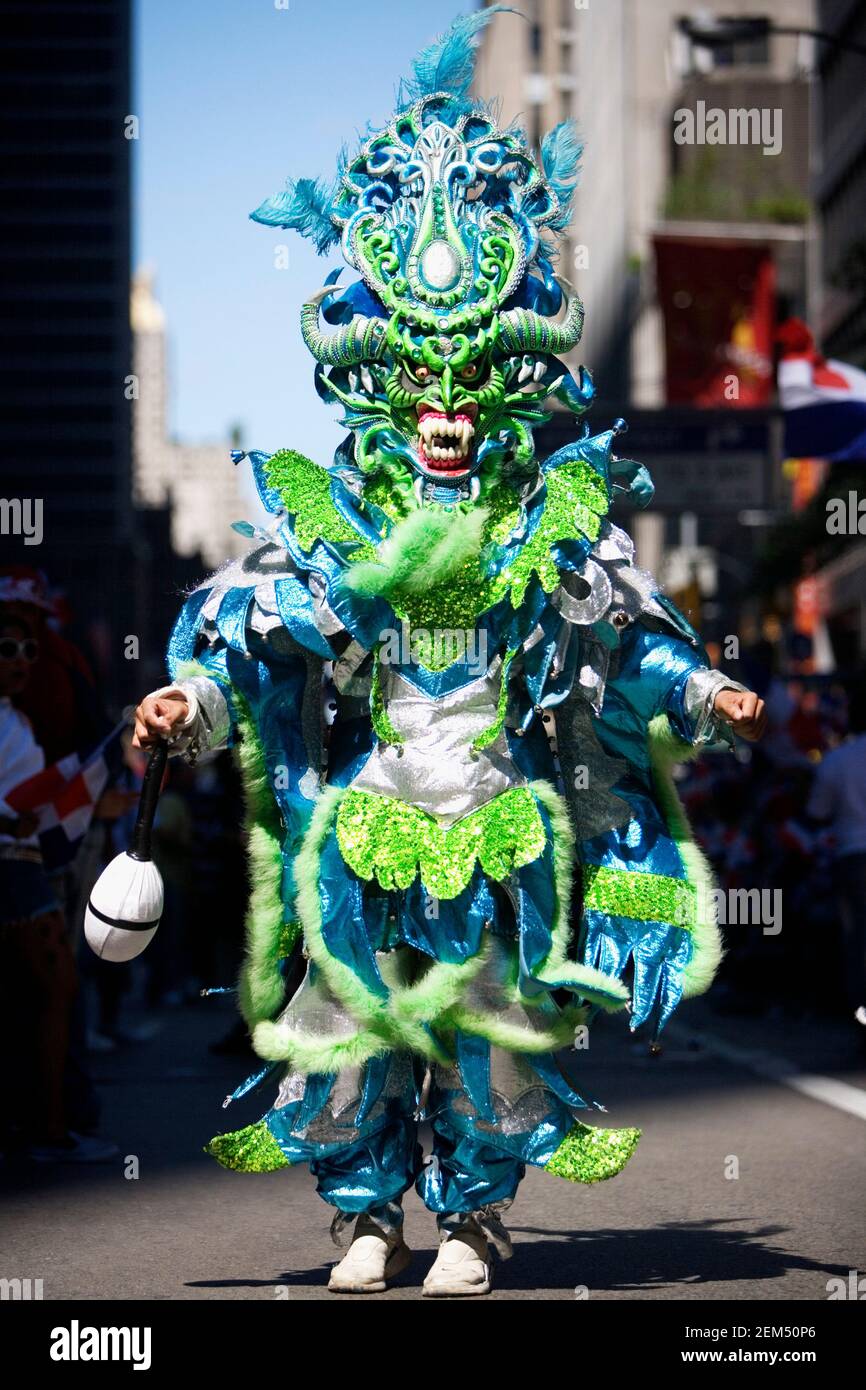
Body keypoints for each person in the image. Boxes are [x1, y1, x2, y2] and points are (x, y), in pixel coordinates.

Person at [131, 12, 765, 1295]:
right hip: (368, 817)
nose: (441, 414)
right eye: (416, 388)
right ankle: (366, 1215)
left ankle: (471, 1218)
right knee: (354, 1024)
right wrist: (184, 701)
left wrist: (702, 689)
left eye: (463, 389)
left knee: (492, 1030)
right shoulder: (333, 529)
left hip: (498, 814)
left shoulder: (549, 526)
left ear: (500, 392)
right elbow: (257, 648)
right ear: (378, 393)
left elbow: (619, 643)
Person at [0, 609, 115, 1162]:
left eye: (28, 652)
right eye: (7, 649)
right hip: (10, 869)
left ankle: (40, 1124)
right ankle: (43, 1130)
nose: (21, 662)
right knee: (53, 989)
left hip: (23, 863)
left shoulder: (16, 720)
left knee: (44, 994)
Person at [806, 681, 866, 1027]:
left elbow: (817, 813)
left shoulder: (838, 761)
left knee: (858, 942)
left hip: (854, 858)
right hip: (852, 857)